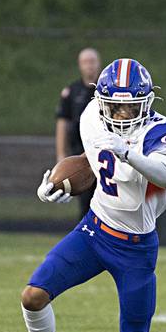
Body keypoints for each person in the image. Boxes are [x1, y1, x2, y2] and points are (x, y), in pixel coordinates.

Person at [5, 58, 166, 332]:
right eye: (115, 105)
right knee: (33, 296)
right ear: (101, 99)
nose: (122, 113)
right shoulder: (92, 115)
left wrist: (128, 151)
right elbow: (90, 161)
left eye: (130, 105)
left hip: (136, 248)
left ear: (147, 102)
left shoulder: (162, 131)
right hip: (94, 231)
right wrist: (57, 184)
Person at [56, 48, 102, 217]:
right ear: (80, 65)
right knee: (85, 202)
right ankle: (87, 235)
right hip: (81, 154)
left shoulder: (107, 90)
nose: (89, 66)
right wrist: (61, 154)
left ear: (99, 63)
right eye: (85, 62)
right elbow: (62, 122)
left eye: (92, 61)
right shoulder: (71, 92)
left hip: (106, 152)